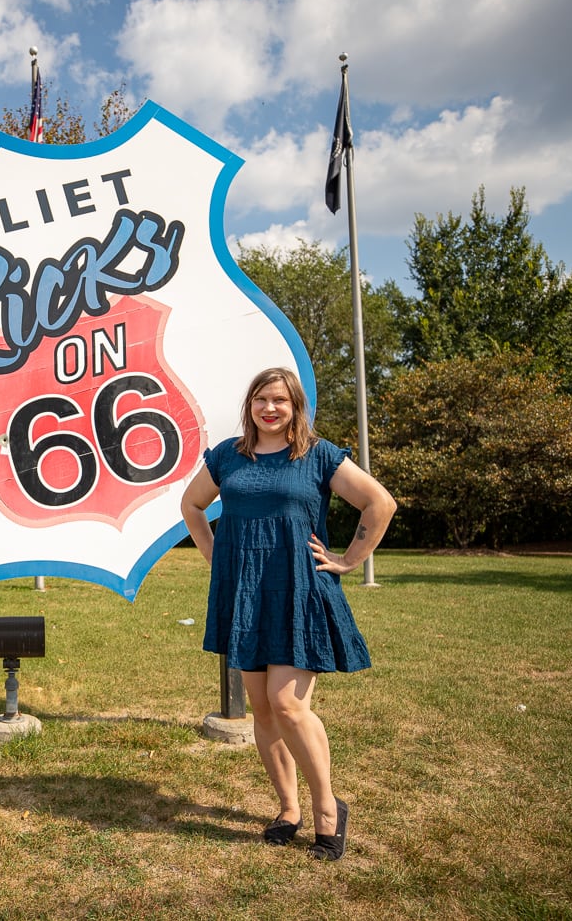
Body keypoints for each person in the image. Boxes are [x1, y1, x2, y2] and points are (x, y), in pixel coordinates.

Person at [180, 366, 396, 861]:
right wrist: (216, 555)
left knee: (288, 704)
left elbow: (379, 503)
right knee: (261, 709)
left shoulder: (317, 455)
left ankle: (327, 809)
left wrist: (348, 560)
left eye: (280, 400)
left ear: (296, 406)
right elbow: (193, 506)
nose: (270, 408)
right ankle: (288, 808)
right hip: (246, 593)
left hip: (299, 589)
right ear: (250, 405)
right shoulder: (228, 457)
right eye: (261, 399)